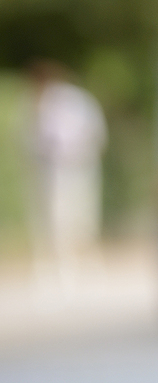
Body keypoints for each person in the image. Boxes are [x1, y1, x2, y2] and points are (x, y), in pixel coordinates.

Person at [26, 61, 106, 280]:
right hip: (55, 168)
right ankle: (63, 265)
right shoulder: (42, 103)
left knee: (83, 214)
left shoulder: (73, 101)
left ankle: (87, 262)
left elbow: (94, 131)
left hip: (79, 164)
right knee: (57, 218)